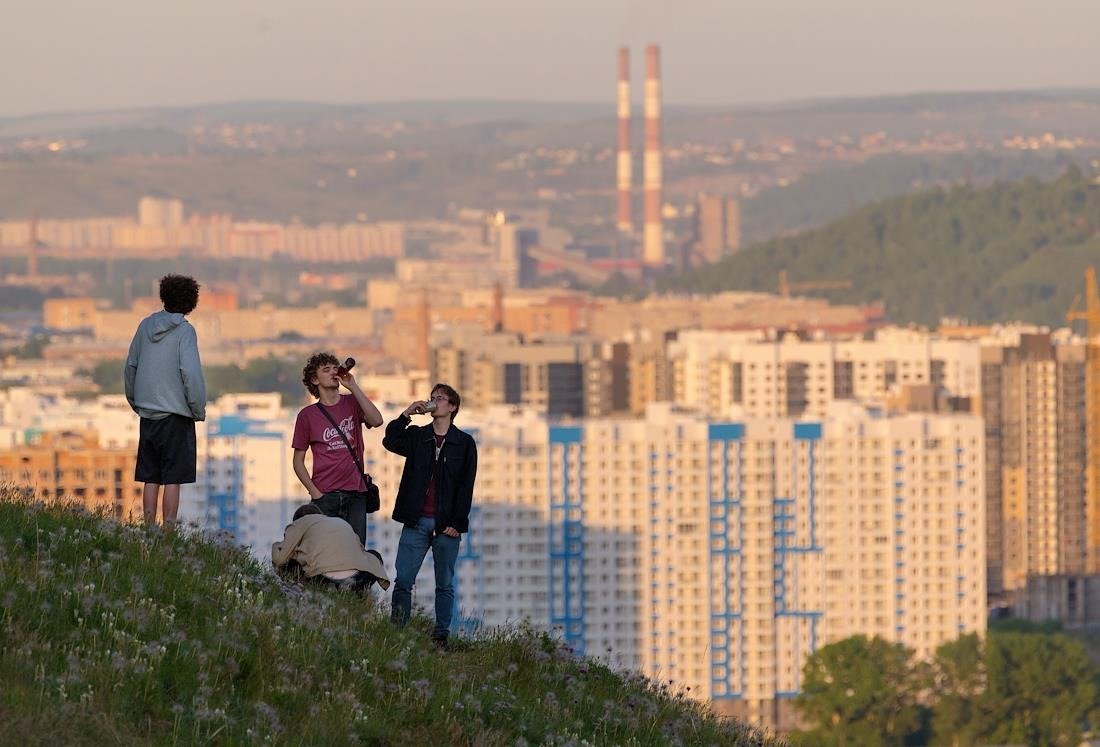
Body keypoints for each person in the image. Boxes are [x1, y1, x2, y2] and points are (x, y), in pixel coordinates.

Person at [383, 383, 477, 649]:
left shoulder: (464, 443)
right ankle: (397, 631)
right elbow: (390, 440)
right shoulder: (417, 437)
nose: (435, 401)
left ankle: (441, 635)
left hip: (446, 526)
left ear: (453, 407)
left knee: (444, 584)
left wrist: (457, 524)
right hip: (415, 520)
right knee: (403, 581)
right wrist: (406, 414)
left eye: (441, 398)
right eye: (432, 397)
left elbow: (466, 486)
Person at [124, 273, 207, 526]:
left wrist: (135, 401)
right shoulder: (185, 331)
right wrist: (197, 408)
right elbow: (190, 373)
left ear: (164, 296)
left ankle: (149, 530)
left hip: (148, 415)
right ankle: (168, 533)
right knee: (173, 478)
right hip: (176, 416)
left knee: (151, 477)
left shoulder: (145, 326)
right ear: (191, 301)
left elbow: (131, 366)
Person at [291, 352, 384, 546]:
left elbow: (377, 420)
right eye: (326, 369)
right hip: (325, 494)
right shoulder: (307, 415)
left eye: (335, 368)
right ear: (315, 380)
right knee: (324, 552)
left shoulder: (352, 402)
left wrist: (353, 386)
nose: (334, 372)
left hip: (356, 494)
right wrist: (315, 493)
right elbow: (297, 461)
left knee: (355, 552)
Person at [272, 503, 390, 593]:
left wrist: (277, 545)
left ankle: (301, 593)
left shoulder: (299, 523)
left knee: (290, 562)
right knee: (374, 555)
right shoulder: (339, 522)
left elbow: (280, 559)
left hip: (323, 579)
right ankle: (355, 591)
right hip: (357, 576)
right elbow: (361, 551)